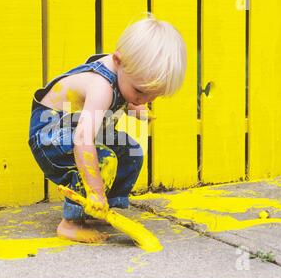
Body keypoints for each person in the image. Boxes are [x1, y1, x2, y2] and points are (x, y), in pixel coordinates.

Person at [28, 14, 187, 243]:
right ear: (118, 61)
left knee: (131, 152)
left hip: (74, 130)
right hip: (50, 135)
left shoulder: (125, 73)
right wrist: (95, 190)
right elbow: (82, 140)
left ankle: (104, 208)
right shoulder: (101, 86)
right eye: (141, 92)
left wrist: (135, 107)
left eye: (154, 96)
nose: (145, 99)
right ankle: (71, 222)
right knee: (104, 158)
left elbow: (121, 96)